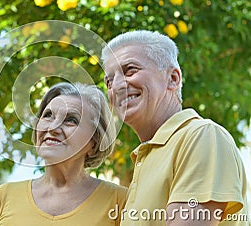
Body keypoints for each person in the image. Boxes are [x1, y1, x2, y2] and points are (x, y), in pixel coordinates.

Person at [101, 30, 249, 225]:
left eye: (130, 70)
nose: (117, 86)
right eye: (109, 81)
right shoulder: (144, 158)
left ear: (173, 78)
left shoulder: (201, 136)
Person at [0, 82, 127, 226]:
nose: (53, 127)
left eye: (71, 120)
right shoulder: (0, 199)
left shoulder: (121, 201)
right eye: (48, 115)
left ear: (94, 142)